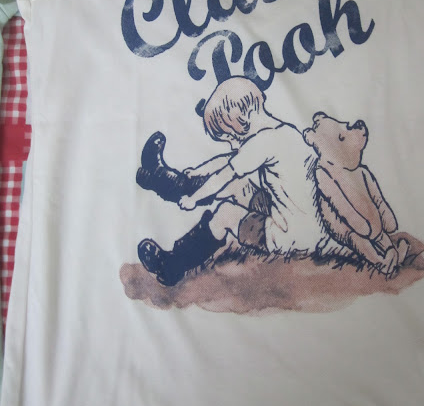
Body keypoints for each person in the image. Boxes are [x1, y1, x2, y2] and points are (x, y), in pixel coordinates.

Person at [137, 76, 341, 286]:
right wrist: (196, 172)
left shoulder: (263, 142)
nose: (233, 144)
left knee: (226, 213)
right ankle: (164, 180)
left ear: (243, 117)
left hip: (289, 236)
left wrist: (193, 199)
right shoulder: (285, 132)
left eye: (231, 136)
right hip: (310, 227)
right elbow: (229, 161)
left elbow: (223, 175)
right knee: (239, 186)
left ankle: (173, 265)